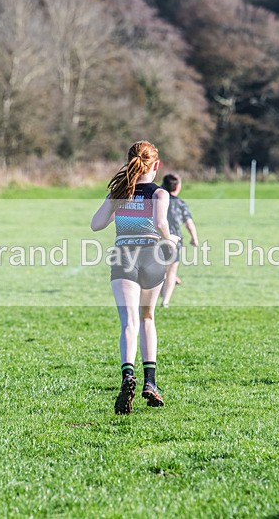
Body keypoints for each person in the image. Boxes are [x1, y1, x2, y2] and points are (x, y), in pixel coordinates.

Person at [90, 140, 177, 414]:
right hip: (151, 256)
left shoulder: (119, 191)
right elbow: (161, 223)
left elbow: (96, 224)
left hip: (123, 256)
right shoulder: (160, 193)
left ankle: (128, 375)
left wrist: (118, 209)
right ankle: (150, 382)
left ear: (130, 162)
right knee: (147, 318)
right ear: (156, 165)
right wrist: (170, 239)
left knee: (128, 323)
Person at [160, 174, 198, 308]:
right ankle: (165, 301)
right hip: (174, 240)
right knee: (171, 271)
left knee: (159, 268)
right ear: (177, 187)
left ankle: (163, 282)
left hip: (156, 238)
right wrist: (194, 238)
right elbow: (188, 223)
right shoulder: (180, 203)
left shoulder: (156, 200)